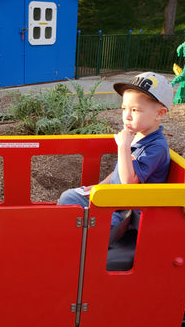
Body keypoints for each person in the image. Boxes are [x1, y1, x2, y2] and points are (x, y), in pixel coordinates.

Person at [57, 72, 174, 227]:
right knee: (69, 197)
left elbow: (128, 185)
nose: (127, 116)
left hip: (129, 215)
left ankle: (68, 242)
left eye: (135, 110)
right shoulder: (138, 135)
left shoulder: (156, 147)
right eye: (124, 108)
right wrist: (101, 187)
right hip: (116, 202)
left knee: (81, 218)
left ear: (160, 113)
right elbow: (119, 172)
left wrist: (124, 147)